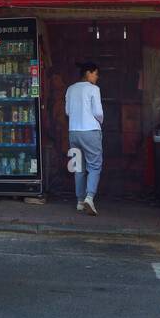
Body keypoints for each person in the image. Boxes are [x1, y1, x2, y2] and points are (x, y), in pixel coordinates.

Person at [65, 61, 104, 214]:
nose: (97, 78)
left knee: (78, 168)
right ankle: (90, 196)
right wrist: (99, 122)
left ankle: (80, 201)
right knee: (94, 166)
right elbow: (99, 112)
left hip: (73, 132)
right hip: (90, 131)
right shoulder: (94, 89)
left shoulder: (70, 89)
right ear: (89, 72)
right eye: (96, 74)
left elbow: (68, 112)